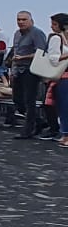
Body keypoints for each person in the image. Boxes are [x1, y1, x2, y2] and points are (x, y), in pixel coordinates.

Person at [8, 10, 49, 138]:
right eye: (19, 19)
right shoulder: (17, 34)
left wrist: (23, 57)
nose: (21, 22)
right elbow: (15, 50)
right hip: (18, 70)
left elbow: (41, 52)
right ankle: (39, 121)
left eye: (24, 20)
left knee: (29, 101)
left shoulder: (37, 33)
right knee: (17, 100)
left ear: (31, 20)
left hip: (31, 70)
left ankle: (28, 130)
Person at [40, 13, 68, 145]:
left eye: (54, 24)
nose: (52, 27)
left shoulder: (61, 38)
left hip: (63, 76)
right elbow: (54, 59)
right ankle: (65, 135)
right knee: (63, 106)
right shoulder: (56, 38)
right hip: (62, 76)